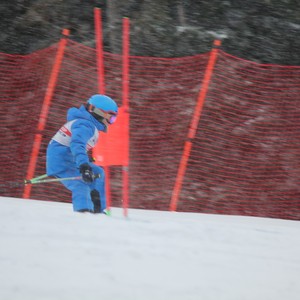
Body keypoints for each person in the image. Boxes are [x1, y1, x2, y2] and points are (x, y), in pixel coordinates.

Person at [46, 94, 118, 214]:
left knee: (98, 173)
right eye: (111, 118)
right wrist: (84, 165)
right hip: (61, 161)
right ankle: (83, 213)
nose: (111, 122)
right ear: (98, 112)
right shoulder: (84, 125)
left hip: (70, 159)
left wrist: (85, 159)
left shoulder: (89, 125)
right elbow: (77, 145)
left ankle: (98, 209)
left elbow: (77, 146)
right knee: (81, 183)